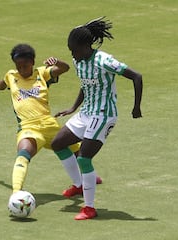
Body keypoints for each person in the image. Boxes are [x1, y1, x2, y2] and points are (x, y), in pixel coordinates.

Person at [51, 17, 143, 220]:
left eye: (74, 49)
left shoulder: (104, 60)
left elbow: (137, 76)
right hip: (85, 113)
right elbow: (86, 85)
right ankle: (78, 185)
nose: (72, 54)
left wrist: (136, 107)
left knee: (84, 158)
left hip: (103, 115)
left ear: (86, 46)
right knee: (57, 143)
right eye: (69, 49)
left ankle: (89, 208)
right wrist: (73, 108)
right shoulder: (78, 60)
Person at [0, 43, 86, 195]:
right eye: (19, 66)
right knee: (23, 154)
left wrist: (57, 62)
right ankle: (17, 193)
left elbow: (65, 68)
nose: (22, 70)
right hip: (29, 128)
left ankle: (89, 177)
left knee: (78, 150)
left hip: (50, 125)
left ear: (33, 62)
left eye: (26, 65)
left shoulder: (42, 73)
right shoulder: (11, 76)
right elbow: (1, 85)